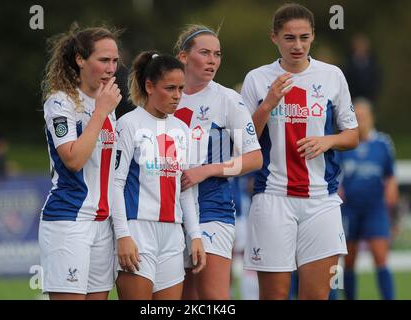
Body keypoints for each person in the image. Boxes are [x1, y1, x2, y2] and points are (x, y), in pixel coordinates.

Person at [241, 3, 359, 300]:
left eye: (304, 38)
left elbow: (353, 134)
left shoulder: (332, 76)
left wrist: (328, 141)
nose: (297, 45)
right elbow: (242, 139)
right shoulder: (257, 79)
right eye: (289, 38)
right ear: (274, 38)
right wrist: (267, 104)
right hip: (273, 199)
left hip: (321, 200)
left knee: (317, 296)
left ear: (313, 37)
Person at [173, 25, 263, 300]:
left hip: (213, 209)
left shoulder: (228, 100)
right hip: (168, 213)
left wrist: (209, 170)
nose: (212, 60)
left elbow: (254, 158)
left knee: (213, 299)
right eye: (205, 53)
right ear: (183, 57)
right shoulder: (163, 96)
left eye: (217, 54)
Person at [112, 51, 206, 300]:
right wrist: (123, 235)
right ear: (150, 86)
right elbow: (115, 183)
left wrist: (194, 235)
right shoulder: (129, 124)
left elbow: (184, 188)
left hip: (172, 236)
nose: (177, 96)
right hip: (137, 230)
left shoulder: (183, 130)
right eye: (170, 88)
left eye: (181, 88)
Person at [39, 23, 122, 300]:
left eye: (114, 61)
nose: (111, 68)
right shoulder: (61, 102)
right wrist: (100, 112)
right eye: (103, 60)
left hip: (103, 224)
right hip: (69, 220)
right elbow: (73, 160)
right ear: (80, 59)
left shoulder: (108, 106)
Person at [338, 98, 399, 300]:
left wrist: (393, 211)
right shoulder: (345, 143)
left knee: (380, 256)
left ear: (372, 118)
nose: (360, 121)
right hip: (350, 209)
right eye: (357, 117)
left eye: (364, 116)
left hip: (375, 208)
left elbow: (390, 177)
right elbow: (336, 178)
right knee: (349, 260)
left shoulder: (382, 143)